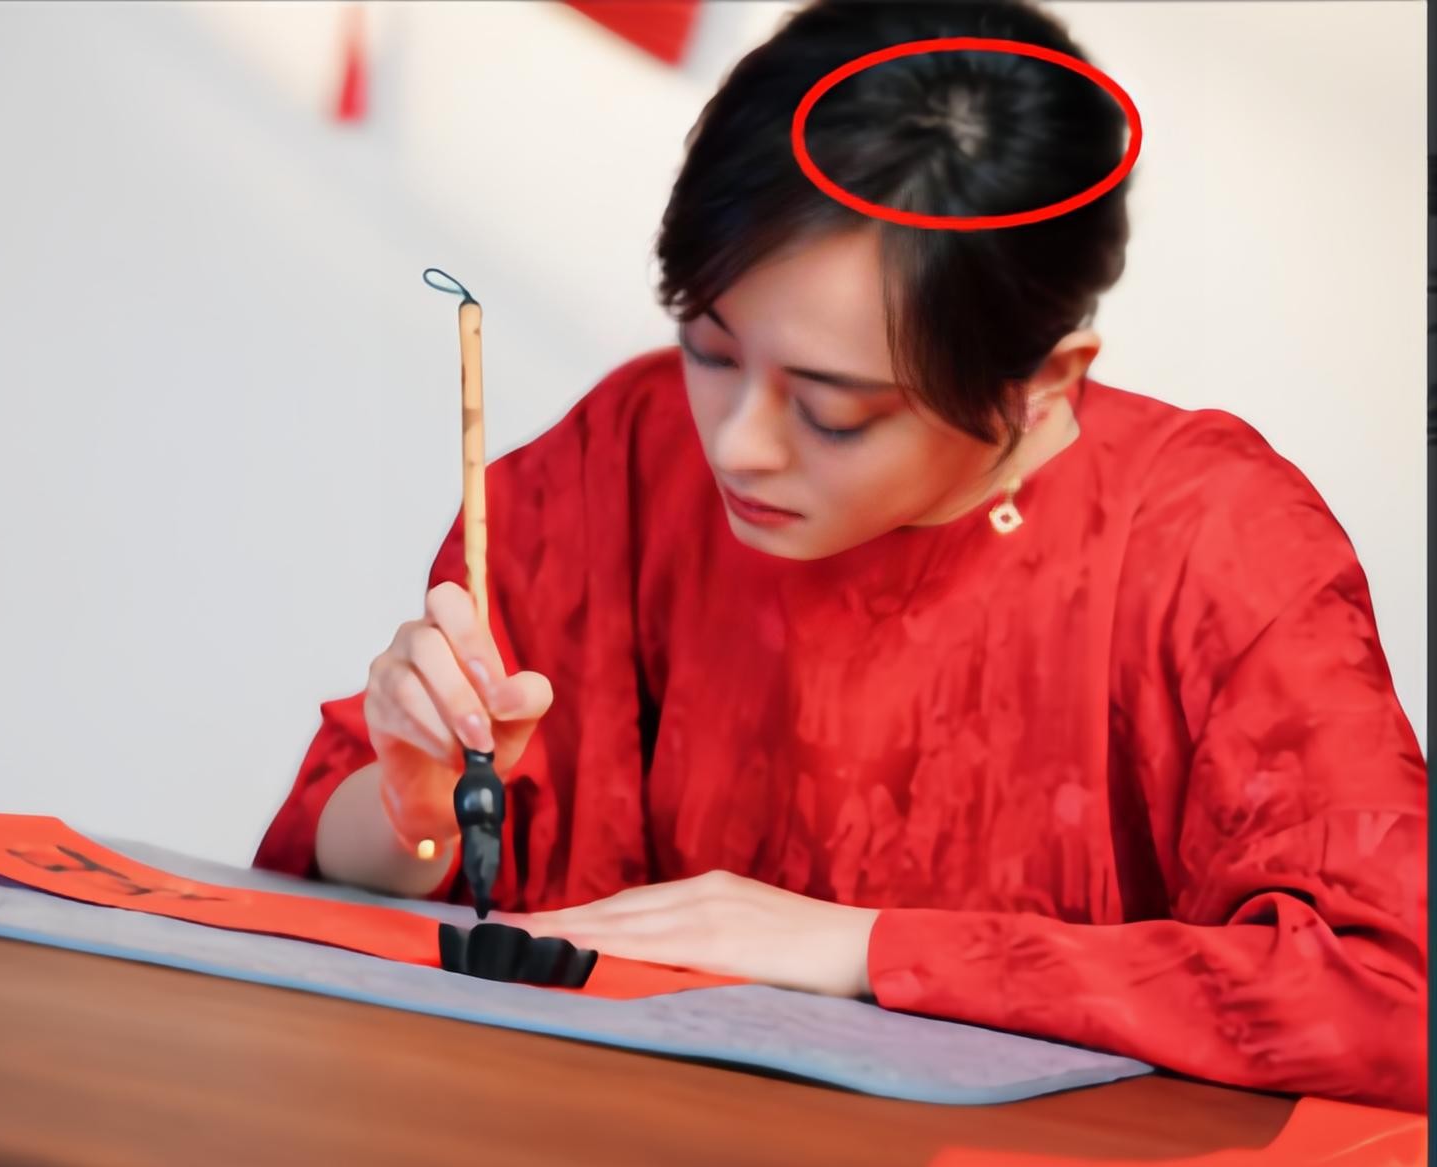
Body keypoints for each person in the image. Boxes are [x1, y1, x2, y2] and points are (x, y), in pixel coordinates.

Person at [254, 0, 1427, 1111]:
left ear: (1041, 384)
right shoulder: (620, 457)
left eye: (833, 410)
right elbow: (349, 881)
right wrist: (412, 810)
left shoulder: (1209, 540)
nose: (737, 444)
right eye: (710, 348)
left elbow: (1388, 995)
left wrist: (865, 949)